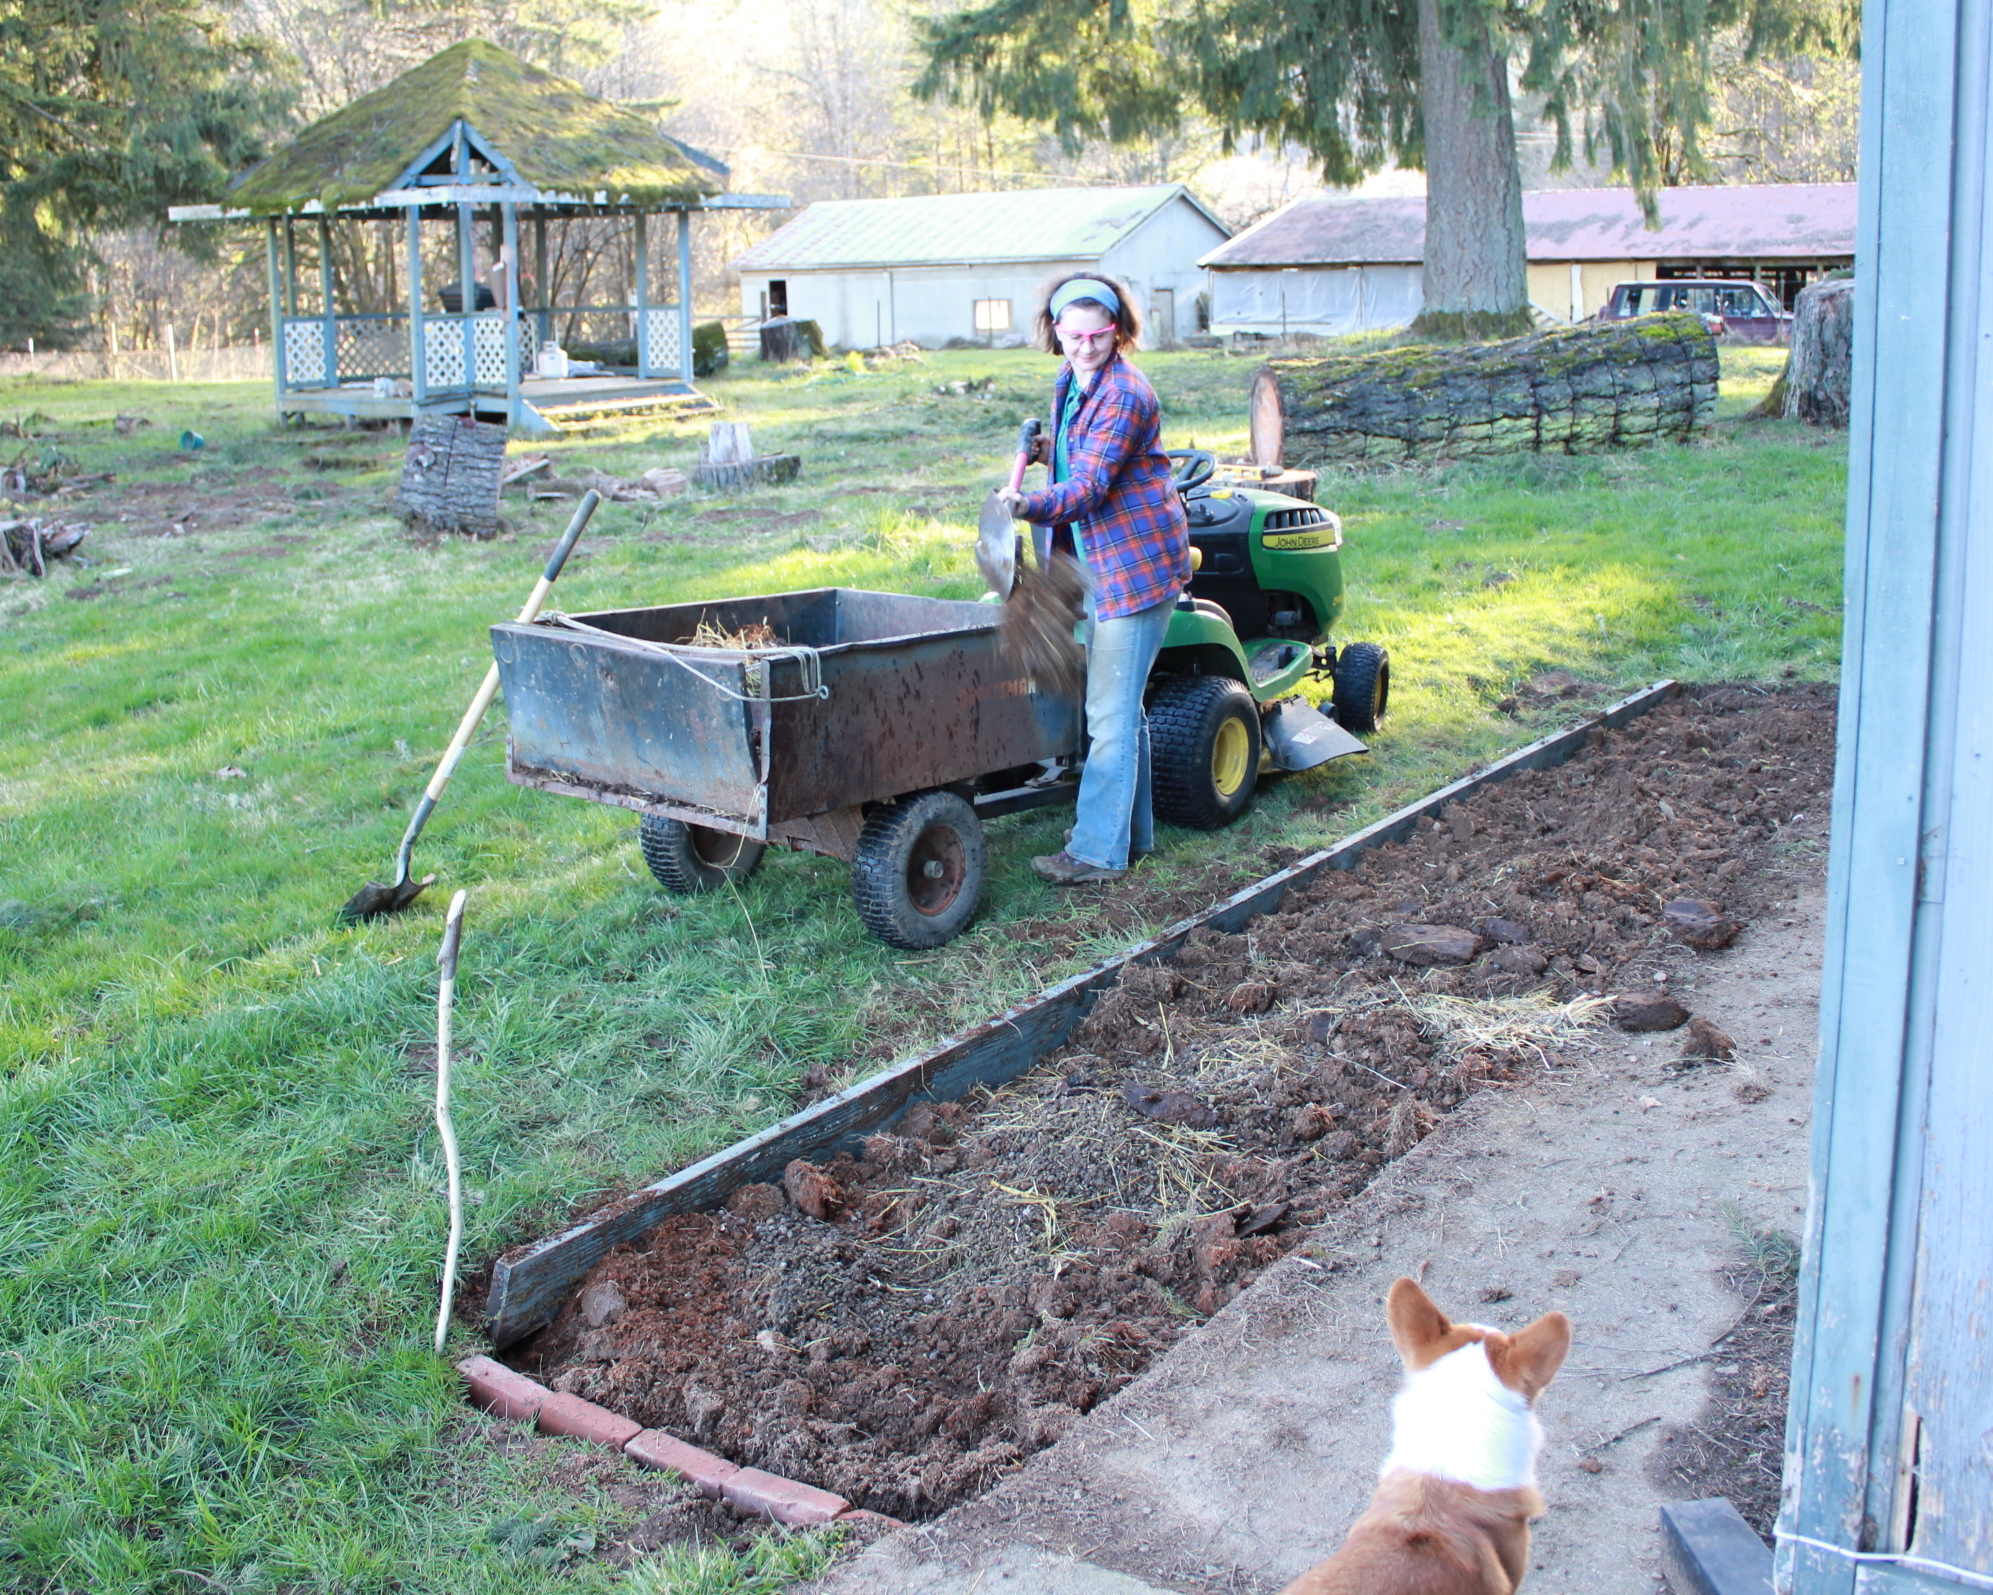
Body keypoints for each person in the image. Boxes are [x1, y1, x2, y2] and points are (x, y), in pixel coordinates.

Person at [997, 273, 1192, 885]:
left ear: (1118, 331)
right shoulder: (1073, 380)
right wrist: (1045, 447)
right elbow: (1080, 451)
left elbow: (1088, 487)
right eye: (1074, 335)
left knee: (1108, 715)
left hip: (1134, 567)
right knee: (1121, 710)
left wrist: (1026, 504)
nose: (1085, 347)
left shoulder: (1125, 392)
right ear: (1055, 330)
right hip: (1097, 560)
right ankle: (1127, 835)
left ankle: (1095, 854)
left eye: (1098, 336)